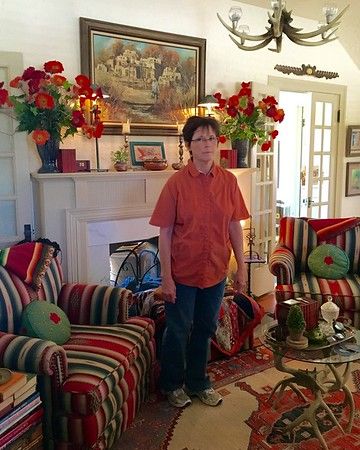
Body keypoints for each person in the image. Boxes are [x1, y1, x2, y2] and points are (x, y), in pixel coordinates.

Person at [149, 115, 249, 408]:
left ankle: (198, 382)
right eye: (200, 139)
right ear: (189, 146)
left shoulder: (229, 182)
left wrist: (241, 266)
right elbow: (164, 233)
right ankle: (171, 384)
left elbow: (234, 226)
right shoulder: (176, 184)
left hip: (216, 271)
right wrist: (166, 277)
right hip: (182, 272)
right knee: (178, 331)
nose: (207, 145)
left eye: (211, 138)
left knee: (205, 329)